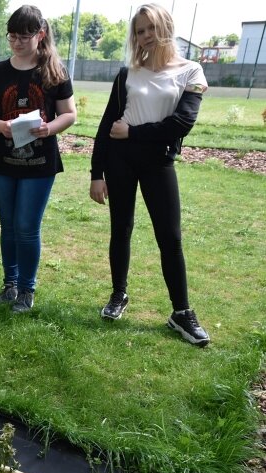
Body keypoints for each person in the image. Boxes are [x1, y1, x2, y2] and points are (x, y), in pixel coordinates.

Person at [89, 4, 209, 346]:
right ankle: (118, 294)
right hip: (120, 160)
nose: (144, 36)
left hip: (158, 162)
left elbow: (181, 123)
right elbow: (106, 127)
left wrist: (133, 133)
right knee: (121, 229)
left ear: (165, 28)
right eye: (139, 31)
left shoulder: (191, 71)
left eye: (150, 29)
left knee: (170, 238)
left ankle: (181, 313)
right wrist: (96, 173)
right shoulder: (127, 74)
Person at [0, 5, 76, 312]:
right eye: (12, 36)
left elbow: (70, 114)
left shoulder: (53, 71)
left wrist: (49, 128)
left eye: (24, 36)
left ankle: (27, 290)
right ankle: (10, 284)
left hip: (40, 163)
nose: (17, 42)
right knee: (8, 226)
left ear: (40, 35)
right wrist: (1, 126)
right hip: (2, 161)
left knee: (27, 225)